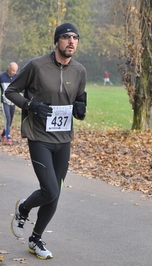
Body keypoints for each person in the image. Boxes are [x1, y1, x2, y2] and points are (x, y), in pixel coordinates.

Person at [6, 22, 87, 260]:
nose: (71, 41)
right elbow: (10, 92)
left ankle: (35, 239)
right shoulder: (37, 66)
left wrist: (81, 109)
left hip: (64, 139)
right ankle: (23, 208)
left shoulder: (79, 71)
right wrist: (32, 106)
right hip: (39, 136)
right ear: (56, 42)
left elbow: (80, 98)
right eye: (65, 37)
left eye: (75, 37)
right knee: (50, 189)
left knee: (56, 192)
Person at [0, 62, 18, 145]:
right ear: (9, 68)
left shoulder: (16, 78)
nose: (14, 72)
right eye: (13, 70)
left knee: (10, 121)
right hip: (5, 102)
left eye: (15, 71)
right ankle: (8, 137)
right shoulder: (2, 77)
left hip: (13, 102)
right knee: (7, 118)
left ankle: (3, 134)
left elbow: (20, 88)